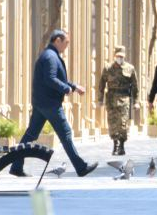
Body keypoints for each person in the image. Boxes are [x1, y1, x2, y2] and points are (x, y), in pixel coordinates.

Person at [17, 30, 99, 178]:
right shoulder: (50, 57)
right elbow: (50, 79)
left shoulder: (50, 55)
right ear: (58, 40)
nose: (67, 45)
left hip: (42, 103)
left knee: (31, 134)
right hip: (50, 104)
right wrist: (66, 88)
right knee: (65, 133)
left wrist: (73, 87)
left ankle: (16, 166)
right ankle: (80, 167)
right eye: (66, 42)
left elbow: (57, 77)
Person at [98, 45, 139, 156]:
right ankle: (115, 145)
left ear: (124, 56)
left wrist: (136, 101)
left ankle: (121, 145)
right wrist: (100, 99)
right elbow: (101, 84)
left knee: (123, 123)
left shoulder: (130, 68)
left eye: (121, 56)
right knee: (112, 123)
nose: (119, 58)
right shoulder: (108, 68)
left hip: (124, 99)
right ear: (114, 56)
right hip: (111, 99)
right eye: (118, 56)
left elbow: (135, 86)